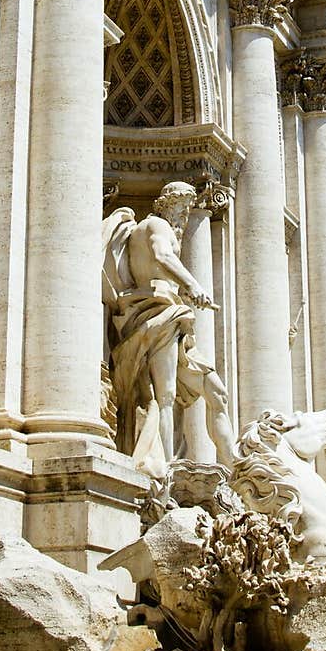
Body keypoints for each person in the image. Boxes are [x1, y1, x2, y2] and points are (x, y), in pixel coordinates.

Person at [102, 182, 235, 476]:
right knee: (165, 396)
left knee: (215, 391)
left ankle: (235, 468)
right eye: (183, 207)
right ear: (168, 204)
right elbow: (162, 255)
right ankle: (166, 471)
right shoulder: (156, 225)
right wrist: (192, 284)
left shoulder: (147, 228)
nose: (185, 215)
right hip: (157, 314)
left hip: (164, 314)